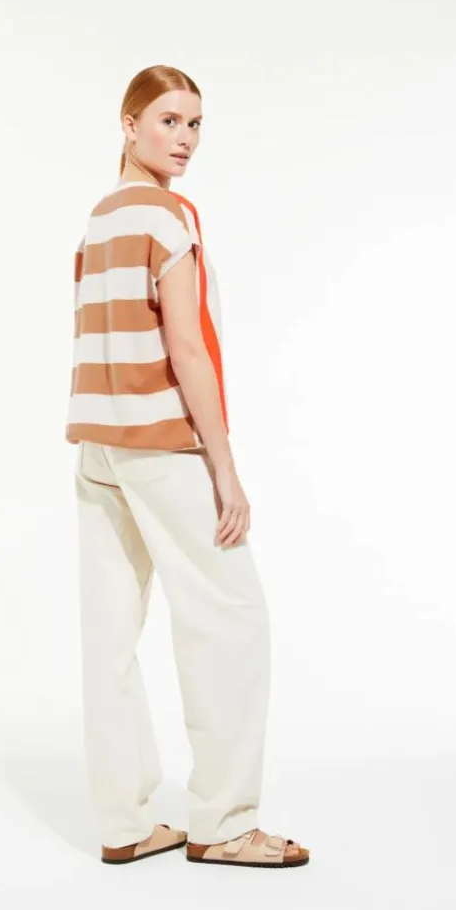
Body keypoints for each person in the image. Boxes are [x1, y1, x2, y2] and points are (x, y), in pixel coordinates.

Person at [66, 65, 309, 868]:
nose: (186, 139)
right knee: (231, 619)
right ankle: (225, 822)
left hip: (100, 445)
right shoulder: (168, 217)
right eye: (169, 120)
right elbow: (187, 347)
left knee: (110, 637)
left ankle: (124, 822)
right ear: (129, 123)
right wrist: (224, 466)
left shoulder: (99, 220)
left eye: (196, 124)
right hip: (163, 447)